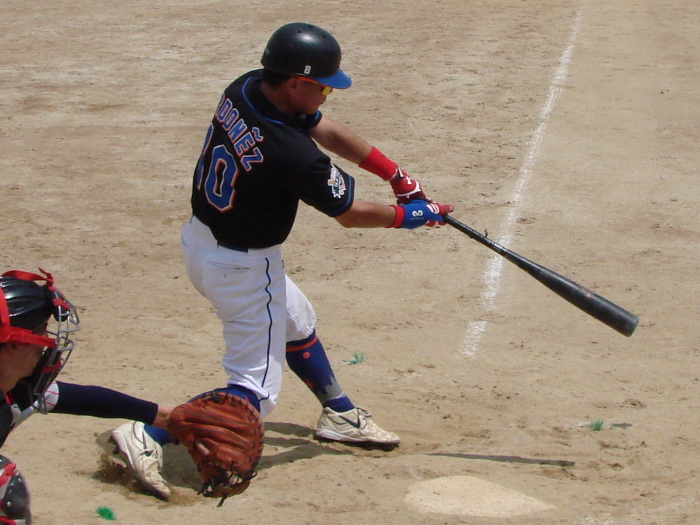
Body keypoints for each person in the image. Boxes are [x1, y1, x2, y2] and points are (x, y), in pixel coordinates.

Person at [110, 22, 453, 500]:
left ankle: (339, 412)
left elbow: (325, 129)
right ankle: (149, 433)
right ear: (295, 82)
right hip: (244, 269)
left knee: (296, 319)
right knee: (255, 391)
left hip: (202, 243)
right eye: (322, 87)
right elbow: (351, 215)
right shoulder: (292, 155)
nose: (328, 95)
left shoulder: (248, 87)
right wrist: (411, 216)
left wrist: (395, 175)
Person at [0, 269, 178, 519]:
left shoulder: (16, 388)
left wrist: (161, 417)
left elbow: (82, 399)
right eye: (42, 334)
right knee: (5, 490)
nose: (47, 345)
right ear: (13, 344)